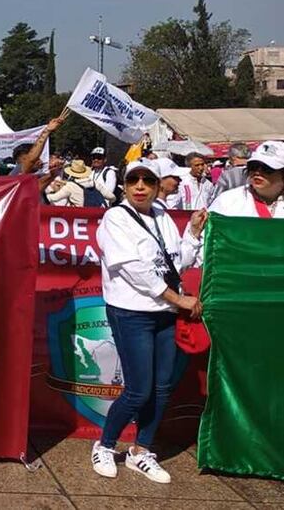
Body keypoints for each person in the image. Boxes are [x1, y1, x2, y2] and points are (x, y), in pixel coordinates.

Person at [90, 159, 206, 484]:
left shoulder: (162, 216)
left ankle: (141, 451)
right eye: (133, 180)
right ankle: (106, 444)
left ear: (157, 186)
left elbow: (175, 262)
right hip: (132, 313)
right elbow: (134, 271)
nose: (140, 186)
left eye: (147, 180)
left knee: (162, 386)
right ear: (125, 186)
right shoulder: (115, 218)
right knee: (139, 390)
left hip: (164, 315)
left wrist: (193, 234)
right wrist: (179, 299)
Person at [207, 141, 283, 218]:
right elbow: (210, 227)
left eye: (267, 168)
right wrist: (197, 229)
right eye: (253, 166)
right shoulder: (227, 201)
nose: (257, 172)